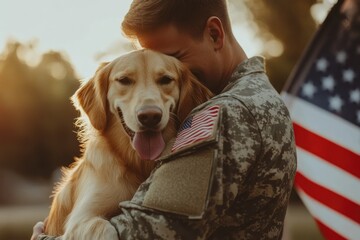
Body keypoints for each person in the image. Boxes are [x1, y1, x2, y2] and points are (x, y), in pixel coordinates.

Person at [32, 0, 297, 239]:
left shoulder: (225, 114)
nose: (151, 99)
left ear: (215, 35)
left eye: (172, 59)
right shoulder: (266, 98)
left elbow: (145, 234)